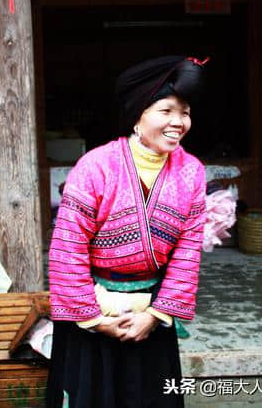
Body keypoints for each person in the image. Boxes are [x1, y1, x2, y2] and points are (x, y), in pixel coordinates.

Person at [46, 56, 209, 408]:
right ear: (138, 115)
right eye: (166, 111)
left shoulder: (192, 173)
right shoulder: (96, 166)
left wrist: (154, 316)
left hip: (151, 317)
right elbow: (67, 249)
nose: (177, 123)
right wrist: (93, 317)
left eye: (185, 113)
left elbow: (188, 251)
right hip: (93, 313)